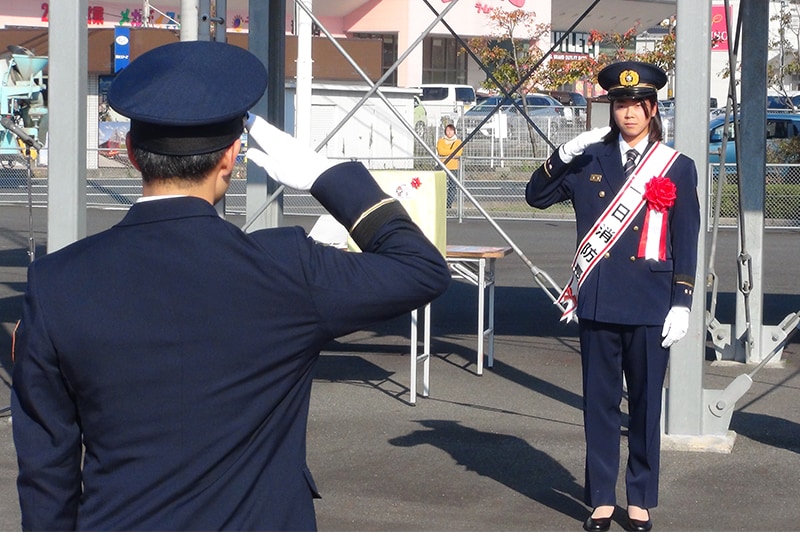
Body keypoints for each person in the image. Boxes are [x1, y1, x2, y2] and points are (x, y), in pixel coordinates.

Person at [10, 40, 451, 531]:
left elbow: (47, 469)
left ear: (132, 154)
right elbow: (421, 268)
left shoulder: (57, 283)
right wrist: (329, 177)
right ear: (232, 158)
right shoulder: (286, 269)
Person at [525, 61, 700, 533]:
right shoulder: (589, 161)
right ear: (612, 109)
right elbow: (534, 196)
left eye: (636, 105)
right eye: (620, 105)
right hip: (600, 301)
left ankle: (639, 497)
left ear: (652, 108)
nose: (628, 113)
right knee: (599, 403)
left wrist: (682, 301)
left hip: (650, 303)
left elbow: (686, 237)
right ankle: (602, 497)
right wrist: (563, 153)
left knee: (644, 405)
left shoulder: (677, 167)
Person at [436, 123, 463, 208]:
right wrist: (451, 153)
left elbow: (458, 152)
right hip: (442, 166)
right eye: (447, 130)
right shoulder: (441, 141)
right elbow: (440, 151)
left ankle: (448, 204)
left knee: (452, 186)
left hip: (454, 167)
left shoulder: (458, 142)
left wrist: (447, 153)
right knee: (440, 186)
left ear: (454, 131)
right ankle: (440, 203)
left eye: (451, 130)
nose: (449, 132)